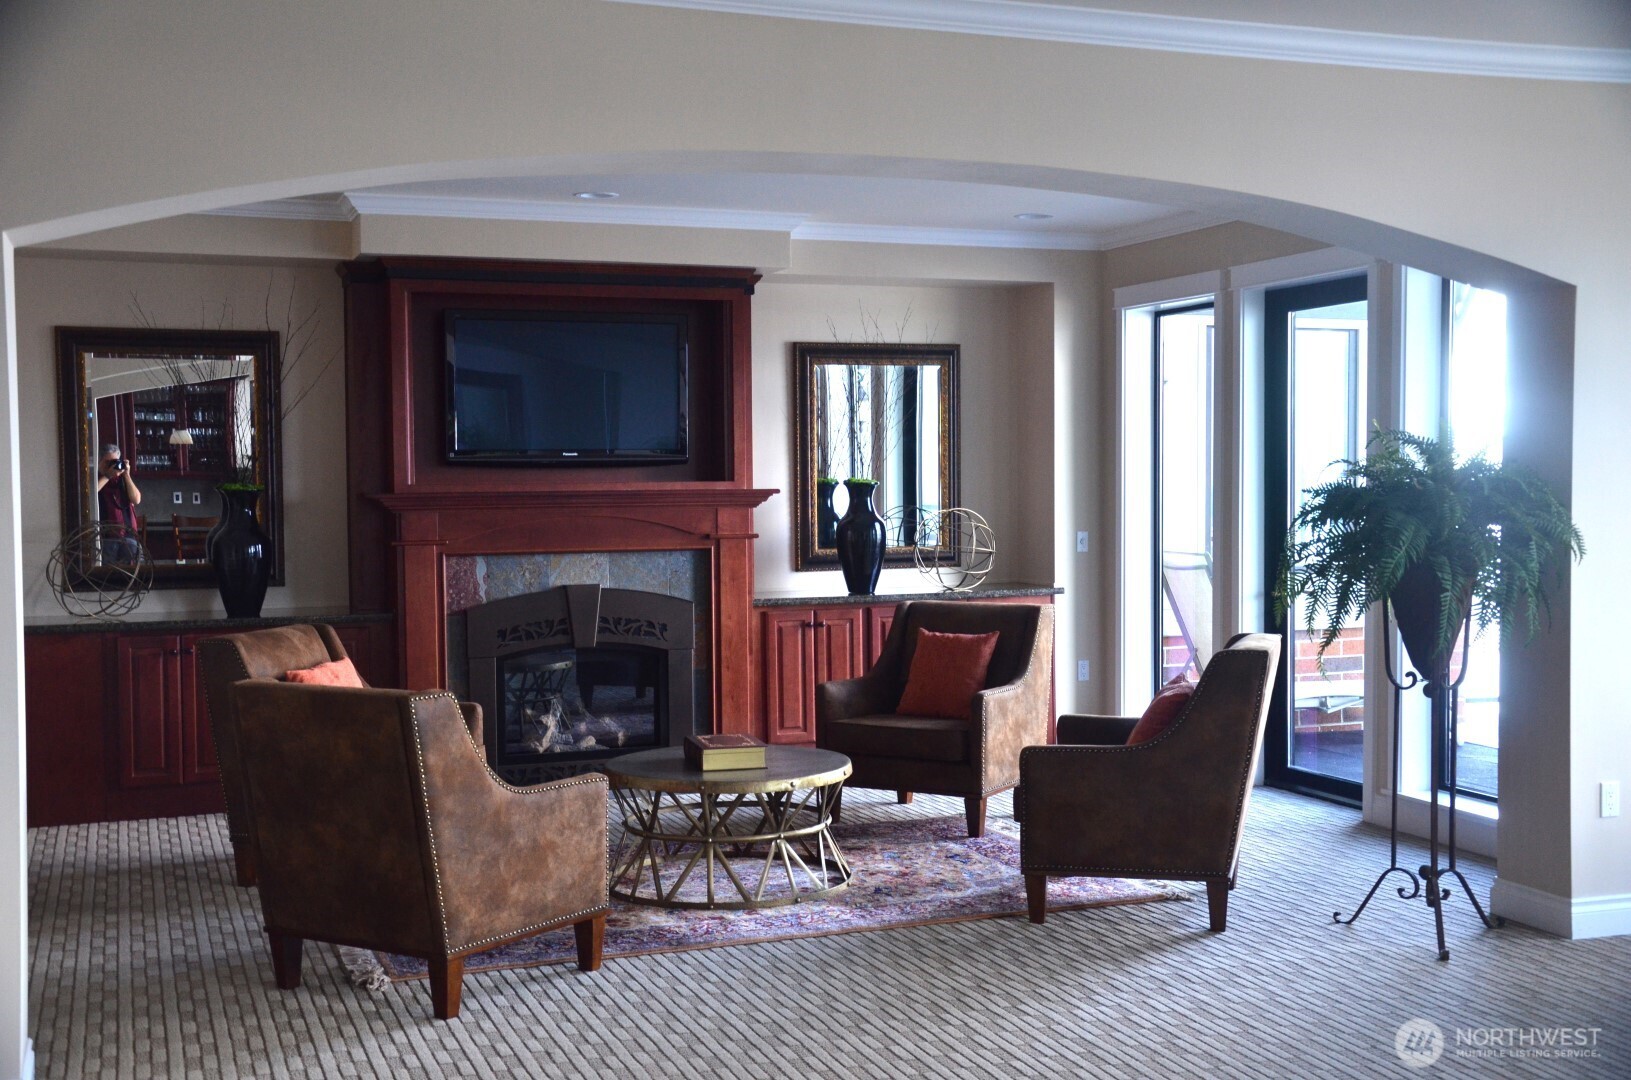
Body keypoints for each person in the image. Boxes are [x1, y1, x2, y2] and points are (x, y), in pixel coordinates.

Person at [96, 444, 143, 563]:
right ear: (99, 461)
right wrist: (108, 476)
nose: (112, 465)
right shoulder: (95, 478)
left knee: (130, 575)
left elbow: (136, 499)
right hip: (106, 537)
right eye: (108, 462)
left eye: (115, 462)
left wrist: (126, 474)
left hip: (128, 535)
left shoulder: (123, 480)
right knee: (108, 574)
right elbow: (91, 493)